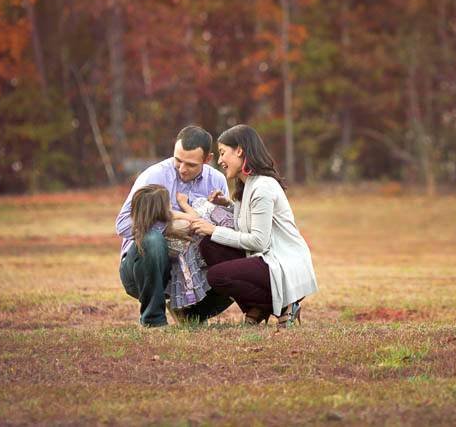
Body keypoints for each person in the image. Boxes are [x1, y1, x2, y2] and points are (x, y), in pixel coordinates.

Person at [189, 124, 318, 328]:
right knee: (209, 246)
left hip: (281, 261)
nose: (220, 160)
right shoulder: (246, 185)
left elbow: (258, 241)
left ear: (239, 150)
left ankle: (285, 305)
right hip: (264, 257)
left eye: (223, 153)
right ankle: (256, 307)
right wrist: (228, 205)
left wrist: (213, 229)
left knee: (217, 275)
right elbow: (247, 224)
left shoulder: (263, 187)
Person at [115, 125, 232, 327]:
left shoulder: (217, 180)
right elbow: (123, 224)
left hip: (190, 268)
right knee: (153, 239)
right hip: (142, 269)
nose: (182, 169)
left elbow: (223, 225)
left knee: (232, 252)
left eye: (191, 164)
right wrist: (167, 225)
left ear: (207, 159)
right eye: (178, 160)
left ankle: (192, 313)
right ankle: (153, 320)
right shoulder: (154, 176)